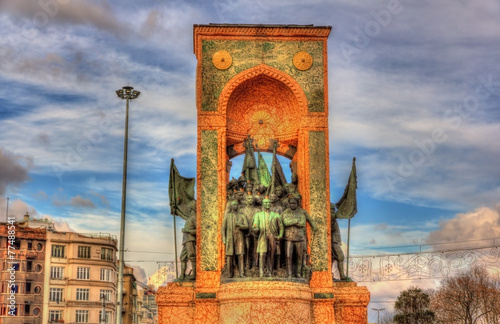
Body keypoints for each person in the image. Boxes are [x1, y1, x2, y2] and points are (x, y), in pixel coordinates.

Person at [282, 197, 317, 278]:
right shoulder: (285, 212)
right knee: (288, 256)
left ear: (297, 204)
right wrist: (296, 221)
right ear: (289, 204)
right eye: (291, 203)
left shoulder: (302, 212)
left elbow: (303, 223)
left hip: (299, 238)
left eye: (294, 203)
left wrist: (314, 226)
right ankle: (289, 274)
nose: (293, 205)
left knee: (299, 256)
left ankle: (298, 273)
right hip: (289, 238)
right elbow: (286, 223)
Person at [252, 197, 283, 277]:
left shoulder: (276, 215)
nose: (267, 204)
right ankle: (261, 273)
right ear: (262, 204)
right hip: (262, 236)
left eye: (268, 202)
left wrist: (280, 235)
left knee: (271, 254)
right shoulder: (258, 215)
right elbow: (255, 225)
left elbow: (281, 227)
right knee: (262, 254)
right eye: (265, 202)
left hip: (272, 236)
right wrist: (255, 228)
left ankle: (270, 272)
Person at [222, 200, 248, 278]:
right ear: (231, 206)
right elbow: (223, 228)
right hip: (230, 238)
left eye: (236, 205)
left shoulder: (242, 216)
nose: (235, 206)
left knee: (240, 255)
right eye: (234, 205)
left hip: (239, 237)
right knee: (229, 256)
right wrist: (224, 238)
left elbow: (246, 226)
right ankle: (230, 274)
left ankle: (241, 273)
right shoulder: (227, 216)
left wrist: (240, 225)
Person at [240, 193, 258, 270]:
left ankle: (255, 264)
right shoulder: (242, 210)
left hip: (255, 232)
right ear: (246, 200)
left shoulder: (257, 210)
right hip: (245, 233)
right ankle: (246, 264)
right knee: (246, 248)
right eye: (249, 199)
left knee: (255, 249)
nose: (250, 200)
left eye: (251, 198)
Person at [330, 203, 347, 280]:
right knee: (340, 257)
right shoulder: (330, 217)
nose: (333, 211)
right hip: (333, 241)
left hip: (335, 240)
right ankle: (342, 276)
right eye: (332, 209)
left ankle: (329, 275)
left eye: (333, 209)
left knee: (332, 258)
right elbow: (334, 216)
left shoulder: (333, 219)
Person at [179, 212, 196, 280]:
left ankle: (195, 275)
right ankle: (182, 276)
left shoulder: (194, 217)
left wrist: (187, 230)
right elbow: (181, 214)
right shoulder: (188, 219)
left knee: (192, 257)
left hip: (190, 240)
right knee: (182, 258)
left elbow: (198, 230)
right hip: (185, 241)